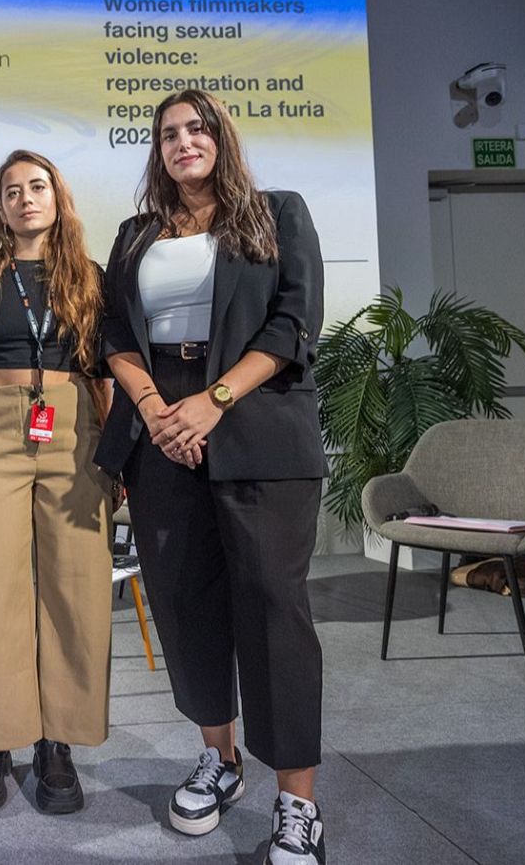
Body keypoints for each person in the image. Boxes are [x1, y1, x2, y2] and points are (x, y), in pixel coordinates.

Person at [93, 89, 328, 864]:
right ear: (157, 150)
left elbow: (294, 324)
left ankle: (298, 802)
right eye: (168, 134)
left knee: (272, 609)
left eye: (197, 129)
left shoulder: (276, 213)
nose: (183, 142)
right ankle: (218, 759)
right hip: (161, 436)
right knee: (184, 603)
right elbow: (116, 336)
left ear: (222, 138)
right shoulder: (135, 234)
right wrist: (161, 410)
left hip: (256, 430)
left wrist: (214, 400)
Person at [0, 150, 114, 814]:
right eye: (11, 190)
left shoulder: (90, 277)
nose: (24, 198)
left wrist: (120, 458)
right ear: (0, 205)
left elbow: (106, 371)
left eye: (36, 186)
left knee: (76, 589)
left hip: (76, 428)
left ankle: (58, 743)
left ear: (56, 195)